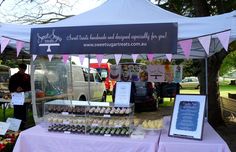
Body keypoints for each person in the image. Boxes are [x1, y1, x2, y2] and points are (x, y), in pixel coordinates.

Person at [8, 63, 31, 130]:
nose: (22, 70)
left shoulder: (28, 77)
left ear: (25, 69)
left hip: (25, 97)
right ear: (19, 68)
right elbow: (10, 87)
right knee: (17, 112)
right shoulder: (13, 77)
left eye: (24, 69)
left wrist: (23, 89)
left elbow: (30, 87)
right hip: (16, 97)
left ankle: (23, 125)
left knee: (24, 112)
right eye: (21, 69)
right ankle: (16, 126)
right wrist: (16, 89)